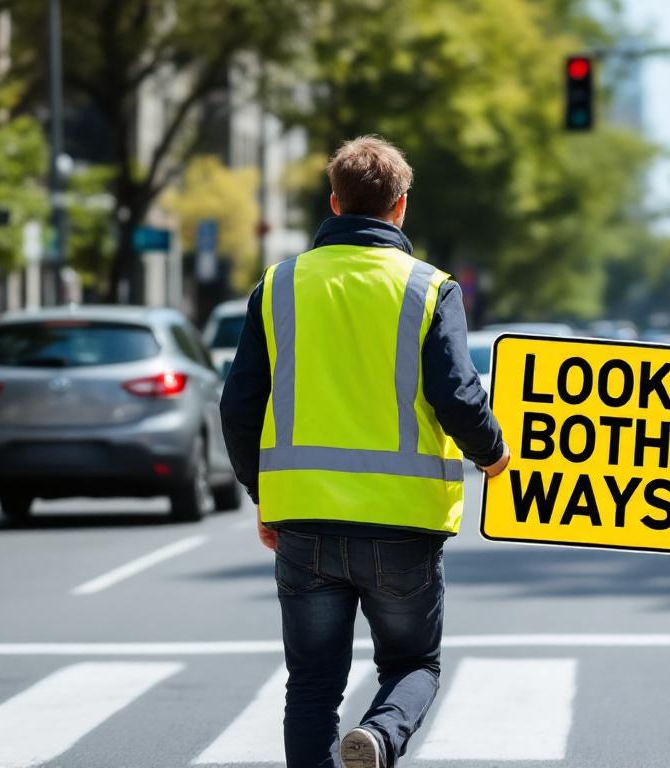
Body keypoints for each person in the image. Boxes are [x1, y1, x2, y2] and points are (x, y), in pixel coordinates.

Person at [219, 135, 509, 768]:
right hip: (403, 523)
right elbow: (458, 397)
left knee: (312, 688)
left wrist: (262, 495)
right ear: (400, 207)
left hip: (305, 522)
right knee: (413, 665)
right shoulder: (429, 288)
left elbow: (239, 407)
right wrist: (493, 454)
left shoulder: (280, 286)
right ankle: (378, 738)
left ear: (335, 202)